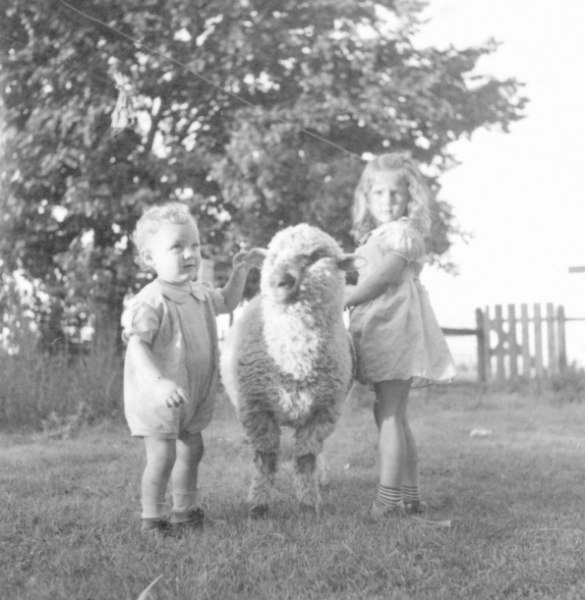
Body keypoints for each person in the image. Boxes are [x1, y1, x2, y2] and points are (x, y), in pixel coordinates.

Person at [122, 202, 264, 535]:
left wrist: (240, 271)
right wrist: (158, 384)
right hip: (159, 394)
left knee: (194, 449)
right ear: (149, 259)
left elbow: (228, 301)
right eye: (177, 247)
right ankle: (152, 519)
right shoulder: (151, 300)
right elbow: (138, 345)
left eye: (194, 245)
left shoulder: (197, 292)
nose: (190, 254)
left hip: (192, 392)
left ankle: (185, 511)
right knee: (162, 456)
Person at [344, 153, 456, 519]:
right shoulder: (379, 234)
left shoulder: (404, 233)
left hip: (395, 327)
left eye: (395, 193)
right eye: (378, 193)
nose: (386, 201)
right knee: (393, 413)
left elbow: (385, 276)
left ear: (410, 197)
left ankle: (388, 501)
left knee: (389, 413)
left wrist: (349, 297)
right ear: (367, 197)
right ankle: (409, 496)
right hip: (382, 325)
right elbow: (365, 270)